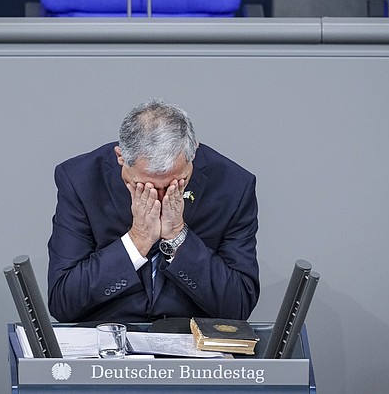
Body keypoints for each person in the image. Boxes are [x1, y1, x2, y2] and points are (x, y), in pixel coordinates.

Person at [47, 99, 260, 323]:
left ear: (193, 153)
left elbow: (239, 306)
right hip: (108, 335)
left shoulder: (233, 186)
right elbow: (63, 302)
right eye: (144, 187)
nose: (160, 198)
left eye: (176, 184)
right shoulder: (80, 181)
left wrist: (178, 236)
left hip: (193, 337)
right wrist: (138, 239)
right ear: (121, 158)